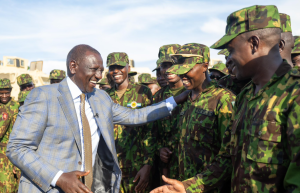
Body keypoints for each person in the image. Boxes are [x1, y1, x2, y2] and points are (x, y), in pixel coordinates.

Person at [151, 5, 300, 193]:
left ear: (254, 43)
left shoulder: (294, 93)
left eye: (230, 50)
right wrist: (188, 187)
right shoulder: (246, 96)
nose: (228, 59)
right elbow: (227, 157)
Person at [7, 45, 187, 193]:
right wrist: (59, 177)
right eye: (93, 69)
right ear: (73, 66)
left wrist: (175, 100)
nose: (100, 76)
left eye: (101, 70)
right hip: (49, 188)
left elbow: (135, 115)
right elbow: (17, 148)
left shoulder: (100, 98)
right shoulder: (43, 96)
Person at [167, 43, 235, 193]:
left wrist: (192, 186)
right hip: (183, 186)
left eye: (187, 70)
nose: (182, 76)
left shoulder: (223, 99)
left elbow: (228, 156)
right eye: (180, 71)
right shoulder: (186, 99)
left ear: (205, 66)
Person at [106, 52, 157, 193]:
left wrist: (148, 165)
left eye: (120, 66)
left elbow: (151, 131)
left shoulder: (142, 92)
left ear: (128, 67)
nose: (115, 71)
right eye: (112, 67)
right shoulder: (105, 96)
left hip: (136, 165)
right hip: (112, 168)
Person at [152, 44, 184, 184]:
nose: (167, 70)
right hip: (166, 170)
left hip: (192, 171)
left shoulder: (194, 94)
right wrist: (159, 149)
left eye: (172, 64)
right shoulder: (158, 98)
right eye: (164, 65)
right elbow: (151, 132)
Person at [0, 79, 20, 193]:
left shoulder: (16, 106)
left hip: (11, 150)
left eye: (6, 92)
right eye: (1, 93)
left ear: (11, 91)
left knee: (9, 186)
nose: (4, 96)